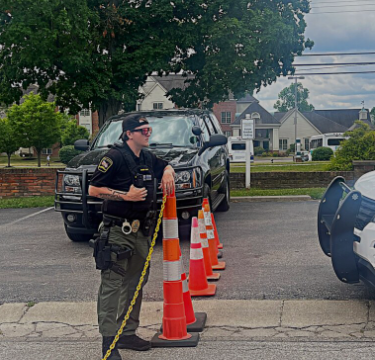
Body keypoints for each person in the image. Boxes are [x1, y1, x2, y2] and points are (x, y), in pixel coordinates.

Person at [89, 114, 175, 359]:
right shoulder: (114, 157)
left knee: (136, 282)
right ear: (129, 134)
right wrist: (125, 196)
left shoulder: (146, 157)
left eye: (149, 129)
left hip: (141, 232)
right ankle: (109, 343)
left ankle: (127, 333)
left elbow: (164, 164)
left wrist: (167, 171)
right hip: (118, 230)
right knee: (113, 285)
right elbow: (94, 189)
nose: (148, 133)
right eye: (143, 130)